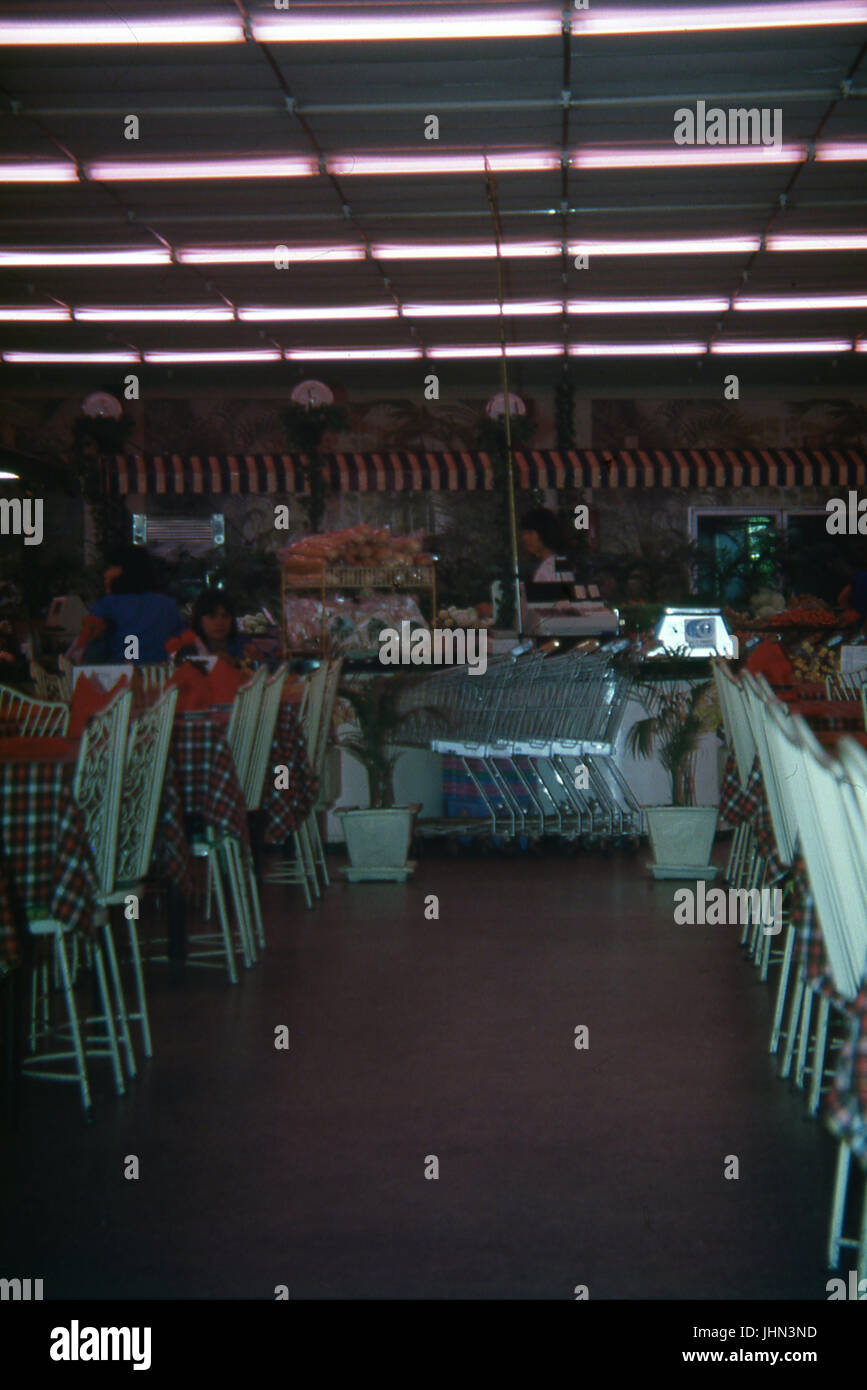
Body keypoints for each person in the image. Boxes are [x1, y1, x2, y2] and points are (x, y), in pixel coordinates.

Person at [68, 544, 184, 664]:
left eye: (111, 567)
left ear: (125, 570)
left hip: (119, 675)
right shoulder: (167, 605)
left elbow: (84, 641)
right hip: (158, 676)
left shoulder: (107, 605)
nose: (105, 574)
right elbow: (182, 641)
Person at [190, 588, 257, 665]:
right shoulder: (190, 648)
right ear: (199, 619)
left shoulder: (243, 645)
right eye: (212, 616)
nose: (219, 622)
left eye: (225, 616)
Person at [520, 507, 576, 599]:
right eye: (524, 533)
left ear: (543, 533)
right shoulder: (557, 563)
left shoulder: (551, 567)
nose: (525, 538)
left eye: (530, 533)